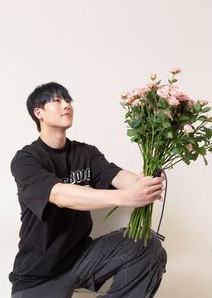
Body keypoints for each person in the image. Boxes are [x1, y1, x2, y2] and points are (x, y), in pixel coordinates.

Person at [9, 82, 167, 298]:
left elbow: (117, 176)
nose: (67, 105)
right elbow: (61, 195)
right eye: (57, 100)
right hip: (38, 276)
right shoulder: (26, 160)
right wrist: (126, 197)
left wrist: (145, 182)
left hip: (81, 259)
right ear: (39, 113)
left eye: (68, 100)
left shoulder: (86, 153)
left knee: (146, 244)